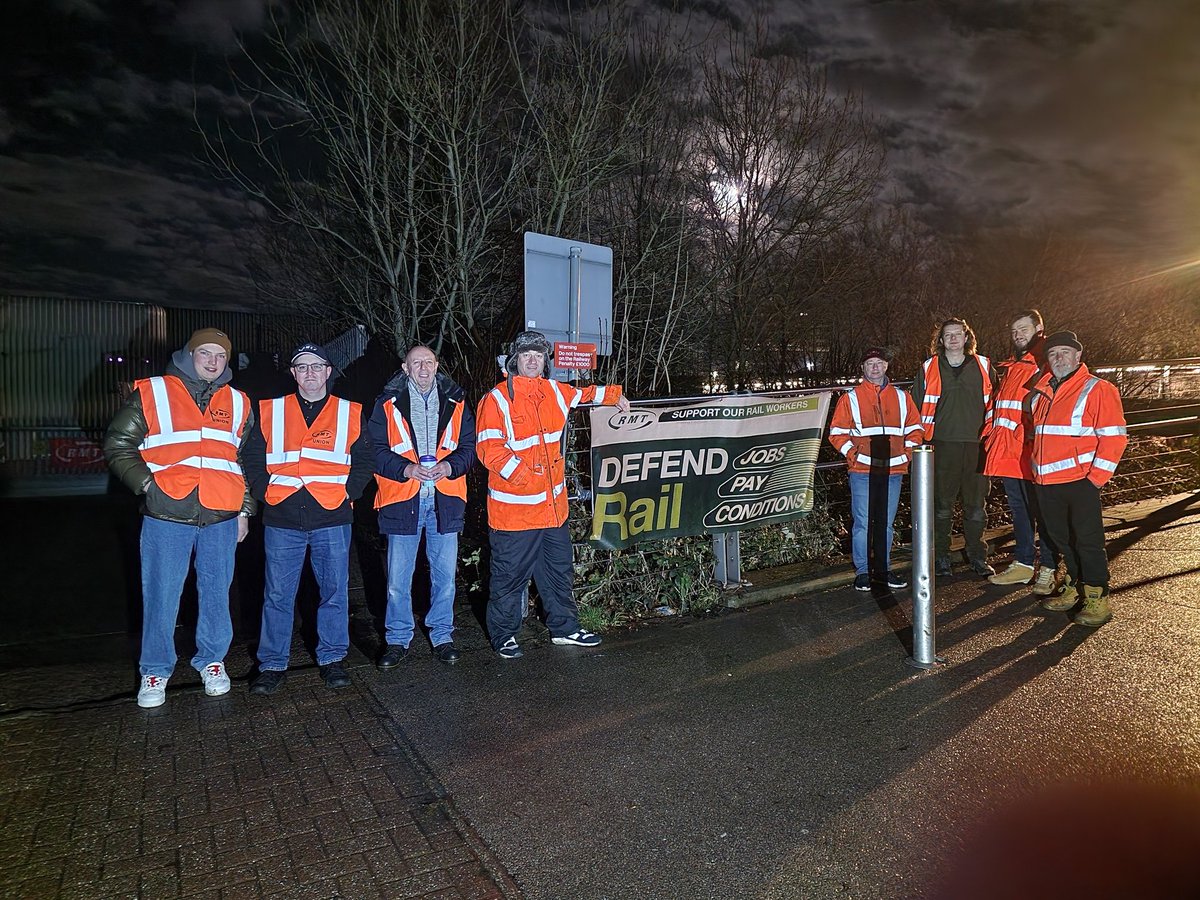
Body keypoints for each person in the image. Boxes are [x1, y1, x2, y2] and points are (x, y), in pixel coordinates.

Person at [104, 328, 254, 709]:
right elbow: (118, 444)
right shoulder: (153, 392)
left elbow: (238, 461)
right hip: (167, 513)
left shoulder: (238, 402)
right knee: (161, 594)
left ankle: (212, 661)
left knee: (217, 592)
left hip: (221, 513)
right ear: (188, 354)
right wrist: (148, 487)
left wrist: (245, 510)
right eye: (205, 352)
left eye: (220, 355)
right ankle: (155, 669)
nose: (213, 361)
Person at [475, 330, 630, 659]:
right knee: (509, 578)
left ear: (546, 362)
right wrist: (525, 476)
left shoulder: (555, 392)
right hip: (515, 514)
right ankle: (503, 634)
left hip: (553, 512)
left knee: (558, 572)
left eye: (538, 356)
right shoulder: (498, 398)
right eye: (526, 355)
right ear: (515, 360)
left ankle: (564, 628)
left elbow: (587, 394)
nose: (532, 360)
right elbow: (489, 449)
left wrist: (615, 394)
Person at [242, 342, 374, 694]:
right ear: (293, 373)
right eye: (302, 367)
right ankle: (272, 664)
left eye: (317, 366)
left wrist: (350, 492)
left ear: (329, 372)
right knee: (277, 594)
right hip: (282, 516)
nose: (310, 373)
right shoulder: (270, 410)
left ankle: (332, 659)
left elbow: (364, 459)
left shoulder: (349, 412)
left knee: (333, 592)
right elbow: (252, 456)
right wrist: (262, 490)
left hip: (331, 514)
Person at [368, 344, 476, 667]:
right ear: (405, 368)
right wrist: (406, 469)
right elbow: (373, 449)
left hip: (445, 498)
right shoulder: (386, 403)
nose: (424, 368)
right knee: (398, 579)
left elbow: (470, 447)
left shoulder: (456, 401)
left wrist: (450, 467)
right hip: (404, 499)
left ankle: (442, 635)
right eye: (417, 363)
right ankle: (398, 640)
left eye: (429, 362)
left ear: (437, 364)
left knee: (445, 576)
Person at [1029, 331, 1127, 626]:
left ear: (1077, 357)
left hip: (1080, 481)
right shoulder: (1041, 391)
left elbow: (1114, 438)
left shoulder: (1098, 388)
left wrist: (1094, 479)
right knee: (1061, 539)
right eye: (1053, 353)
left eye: (1064, 352)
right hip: (1046, 482)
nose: (1058, 358)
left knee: (1087, 541)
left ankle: (1097, 597)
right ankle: (1075, 586)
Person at [828, 347, 923, 591]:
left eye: (879, 362)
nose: (875, 367)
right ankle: (862, 572)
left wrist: (908, 454)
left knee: (886, 522)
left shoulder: (903, 397)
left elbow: (916, 429)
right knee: (862, 522)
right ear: (863, 368)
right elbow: (837, 433)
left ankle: (883, 569)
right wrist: (853, 454)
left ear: (886, 366)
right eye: (870, 363)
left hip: (893, 470)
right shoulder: (849, 398)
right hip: (862, 470)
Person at [912, 317, 998, 577]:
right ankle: (941, 558)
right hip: (942, 445)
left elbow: (997, 404)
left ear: (966, 337)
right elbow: (915, 409)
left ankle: (977, 557)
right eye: (947, 335)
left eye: (957, 334)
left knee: (975, 507)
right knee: (941, 507)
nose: (952, 339)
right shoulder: (929, 368)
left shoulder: (984, 366)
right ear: (940, 340)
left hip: (977, 446)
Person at [983, 310, 1060, 591]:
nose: (1018, 335)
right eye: (1014, 331)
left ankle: (1049, 567)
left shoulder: (1045, 360)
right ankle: (1024, 563)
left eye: (1024, 329)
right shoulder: (1017, 364)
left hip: (1033, 449)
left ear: (1039, 328)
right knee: (1020, 508)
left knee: (1042, 510)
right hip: (1010, 449)